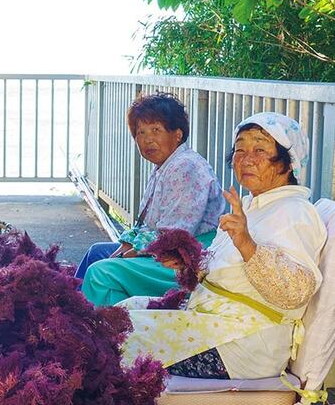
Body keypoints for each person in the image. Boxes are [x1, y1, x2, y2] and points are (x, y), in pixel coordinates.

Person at [119, 112, 326, 380]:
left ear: (288, 163)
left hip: (243, 344)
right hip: (216, 324)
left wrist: (246, 243)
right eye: (240, 149)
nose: (246, 159)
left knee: (116, 336)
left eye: (260, 149)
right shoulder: (254, 205)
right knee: (125, 310)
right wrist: (189, 264)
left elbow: (296, 292)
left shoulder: (295, 212)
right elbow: (227, 272)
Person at [79, 92, 224, 306]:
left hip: (188, 261)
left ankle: (120, 331)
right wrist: (129, 242)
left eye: (156, 130)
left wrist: (134, 251)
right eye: (140, 132)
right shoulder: (166, 165)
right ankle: (73, 309)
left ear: (177, 134)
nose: (147, 139)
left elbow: (175, 235)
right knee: (97, 252)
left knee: (101, 273)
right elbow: (148, 225)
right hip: (166, 249)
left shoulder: (186, 167)